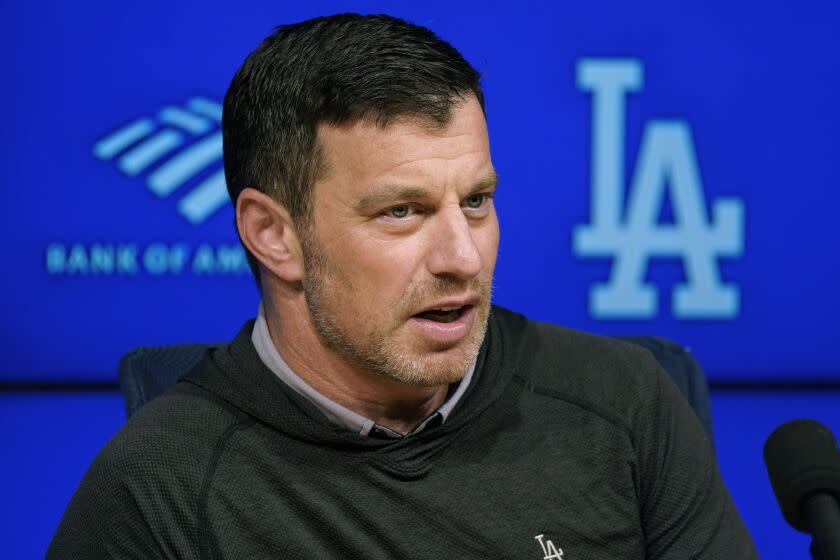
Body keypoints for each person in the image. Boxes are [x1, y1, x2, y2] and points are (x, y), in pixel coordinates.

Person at [49, 13, 758, 559]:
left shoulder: (623, 403)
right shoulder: (158, 488)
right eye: (402, 211)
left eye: (476, 201)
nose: (462, 257)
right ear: (274, 234)